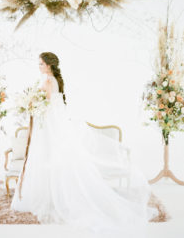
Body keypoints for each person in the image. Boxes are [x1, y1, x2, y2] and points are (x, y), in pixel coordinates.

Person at [11, 52, 158, 238]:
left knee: (46, 158)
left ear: (48, 65)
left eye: (41, 63)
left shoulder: (48, 80)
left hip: (48, 124)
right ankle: (51, 195)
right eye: (39, 63)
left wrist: (31, 105)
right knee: (51, 159)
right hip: (50, 123)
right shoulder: (53, 79)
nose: (39, 66)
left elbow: (46, 104)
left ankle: (48, 198)